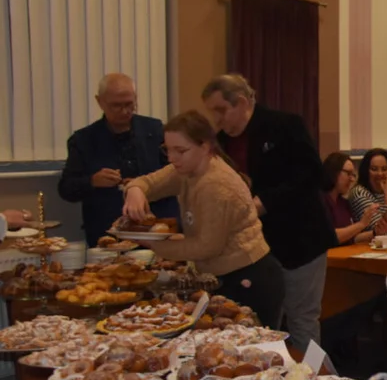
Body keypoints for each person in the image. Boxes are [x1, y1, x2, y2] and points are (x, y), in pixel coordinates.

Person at [202, 74, 336, 354]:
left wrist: (265, 201)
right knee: (261, 324)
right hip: (254, 250)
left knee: (302, 320)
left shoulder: (285, 125)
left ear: (241, 103)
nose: (217, 119)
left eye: (220, 111)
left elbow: (313, 174)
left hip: (301, 243)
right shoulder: (221, 142)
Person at [121, 111, 285, 328]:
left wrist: (156, 245)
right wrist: (135, 190)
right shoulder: (187, 167)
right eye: (167, 149)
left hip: (249, 278)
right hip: (225, 275)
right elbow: (150, 182)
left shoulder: (215, 185)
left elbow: (206, 247)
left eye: (180, 150)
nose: (172, 158)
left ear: (205, 147)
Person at [58, 74, 178, 244]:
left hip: (157, 228)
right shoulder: (83, 140)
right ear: (100, 102)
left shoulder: (155, 129)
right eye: (116, 106)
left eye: (129, 104)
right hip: (107, 232)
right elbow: (66, 189)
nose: (125, 111)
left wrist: (142, 184)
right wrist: (92, 181)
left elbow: (174, 172)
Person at [321, 153, 380, 245]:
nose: (352, 179)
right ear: (333, 172)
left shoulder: (343, 203)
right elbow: (328, 236)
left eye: (353, 175)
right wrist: (361, 224)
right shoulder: (320, 201)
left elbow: (353, 238)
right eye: (348, 173)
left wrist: (375, 232)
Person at [348, 149, 387, 240]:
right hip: (365, 248)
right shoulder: (359, 192)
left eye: (384, 169)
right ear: (366, 171)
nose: (380, 173)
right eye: (374, 169)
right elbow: (381, 232)